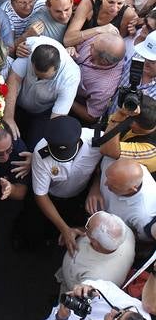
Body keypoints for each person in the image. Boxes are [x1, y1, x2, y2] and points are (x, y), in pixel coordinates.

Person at [30, 116, 103, 255]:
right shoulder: (41, 153)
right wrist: (64, 228)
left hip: (79, 196)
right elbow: (41, 194)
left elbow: (106, 162)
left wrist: (96, 186)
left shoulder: (97, 140)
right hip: (51, 198)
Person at [3, 37, 81, 145]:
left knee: (34, 146)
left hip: (42, 113)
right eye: (35, 74)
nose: (38, 78)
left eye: (44, 78)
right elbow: (14, 79)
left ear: (56, 68)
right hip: (16, 100)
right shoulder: (30, 46)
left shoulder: (70, 77)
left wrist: (37, 154)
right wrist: (8, 117)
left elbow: (56, 120)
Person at [56, 211, 135, 295]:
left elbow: (81, 293)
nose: (87, 220)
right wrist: (78, 230)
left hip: (71, 286)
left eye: (87, 226)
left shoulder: (95, 279)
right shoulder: (124, 232)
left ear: (94, 242)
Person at [63, 0, 138, 48]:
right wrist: (99, 30)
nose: (115, 8)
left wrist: (132, 32)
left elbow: (117, 47)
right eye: (110, 2)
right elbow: (67, 40)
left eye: (120, 3)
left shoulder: (128, 14)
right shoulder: (88, 4)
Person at [72, 33, 127, 126]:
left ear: (104, 61)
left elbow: (91, 116)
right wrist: (72, 47)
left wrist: (67, 99)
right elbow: (73, 41)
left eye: (93, 47)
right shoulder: (100, 41)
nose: (90, 44)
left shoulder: (104, 88)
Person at [95, 159, 156, 240]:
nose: (105, 183)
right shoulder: (112, 160)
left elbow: (136, 238)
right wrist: (95, 188)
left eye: (113, 186)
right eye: (106, 176)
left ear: (131, 190)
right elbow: (97, 170)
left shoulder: (143, 216)